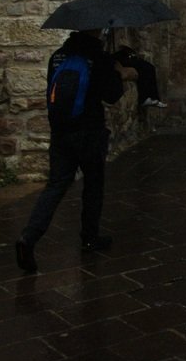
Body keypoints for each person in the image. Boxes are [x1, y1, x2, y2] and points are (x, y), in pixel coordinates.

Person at [15, 29, 126, 273]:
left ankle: (29, 236)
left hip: (61, 132)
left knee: (55, 185)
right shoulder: (99, 58)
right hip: (90, 131)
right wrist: (117, 71)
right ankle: (89, 237)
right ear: (96, 30)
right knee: (93, 184)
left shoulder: (58, 56)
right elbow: (113, 95)